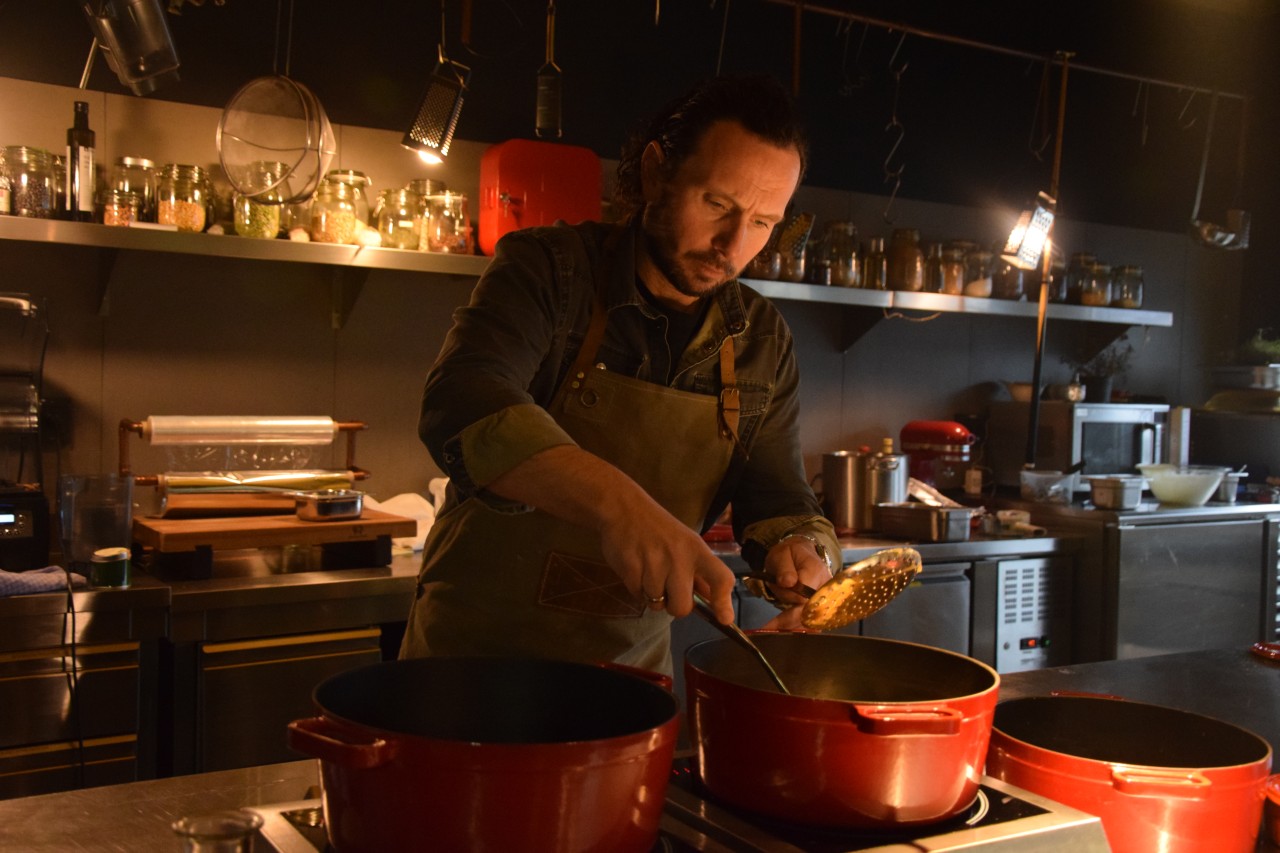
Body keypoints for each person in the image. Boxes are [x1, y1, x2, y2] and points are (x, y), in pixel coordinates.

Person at [400, 73, 840, 674]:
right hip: (471, 665)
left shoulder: (761, 340)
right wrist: (620, 506)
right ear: (657, 171)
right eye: (717, 205)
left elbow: (778, 494)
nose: (733, 245)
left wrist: (804, 549)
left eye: (763, 222)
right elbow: (463, 399)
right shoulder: (551, 271)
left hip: (628, 678)